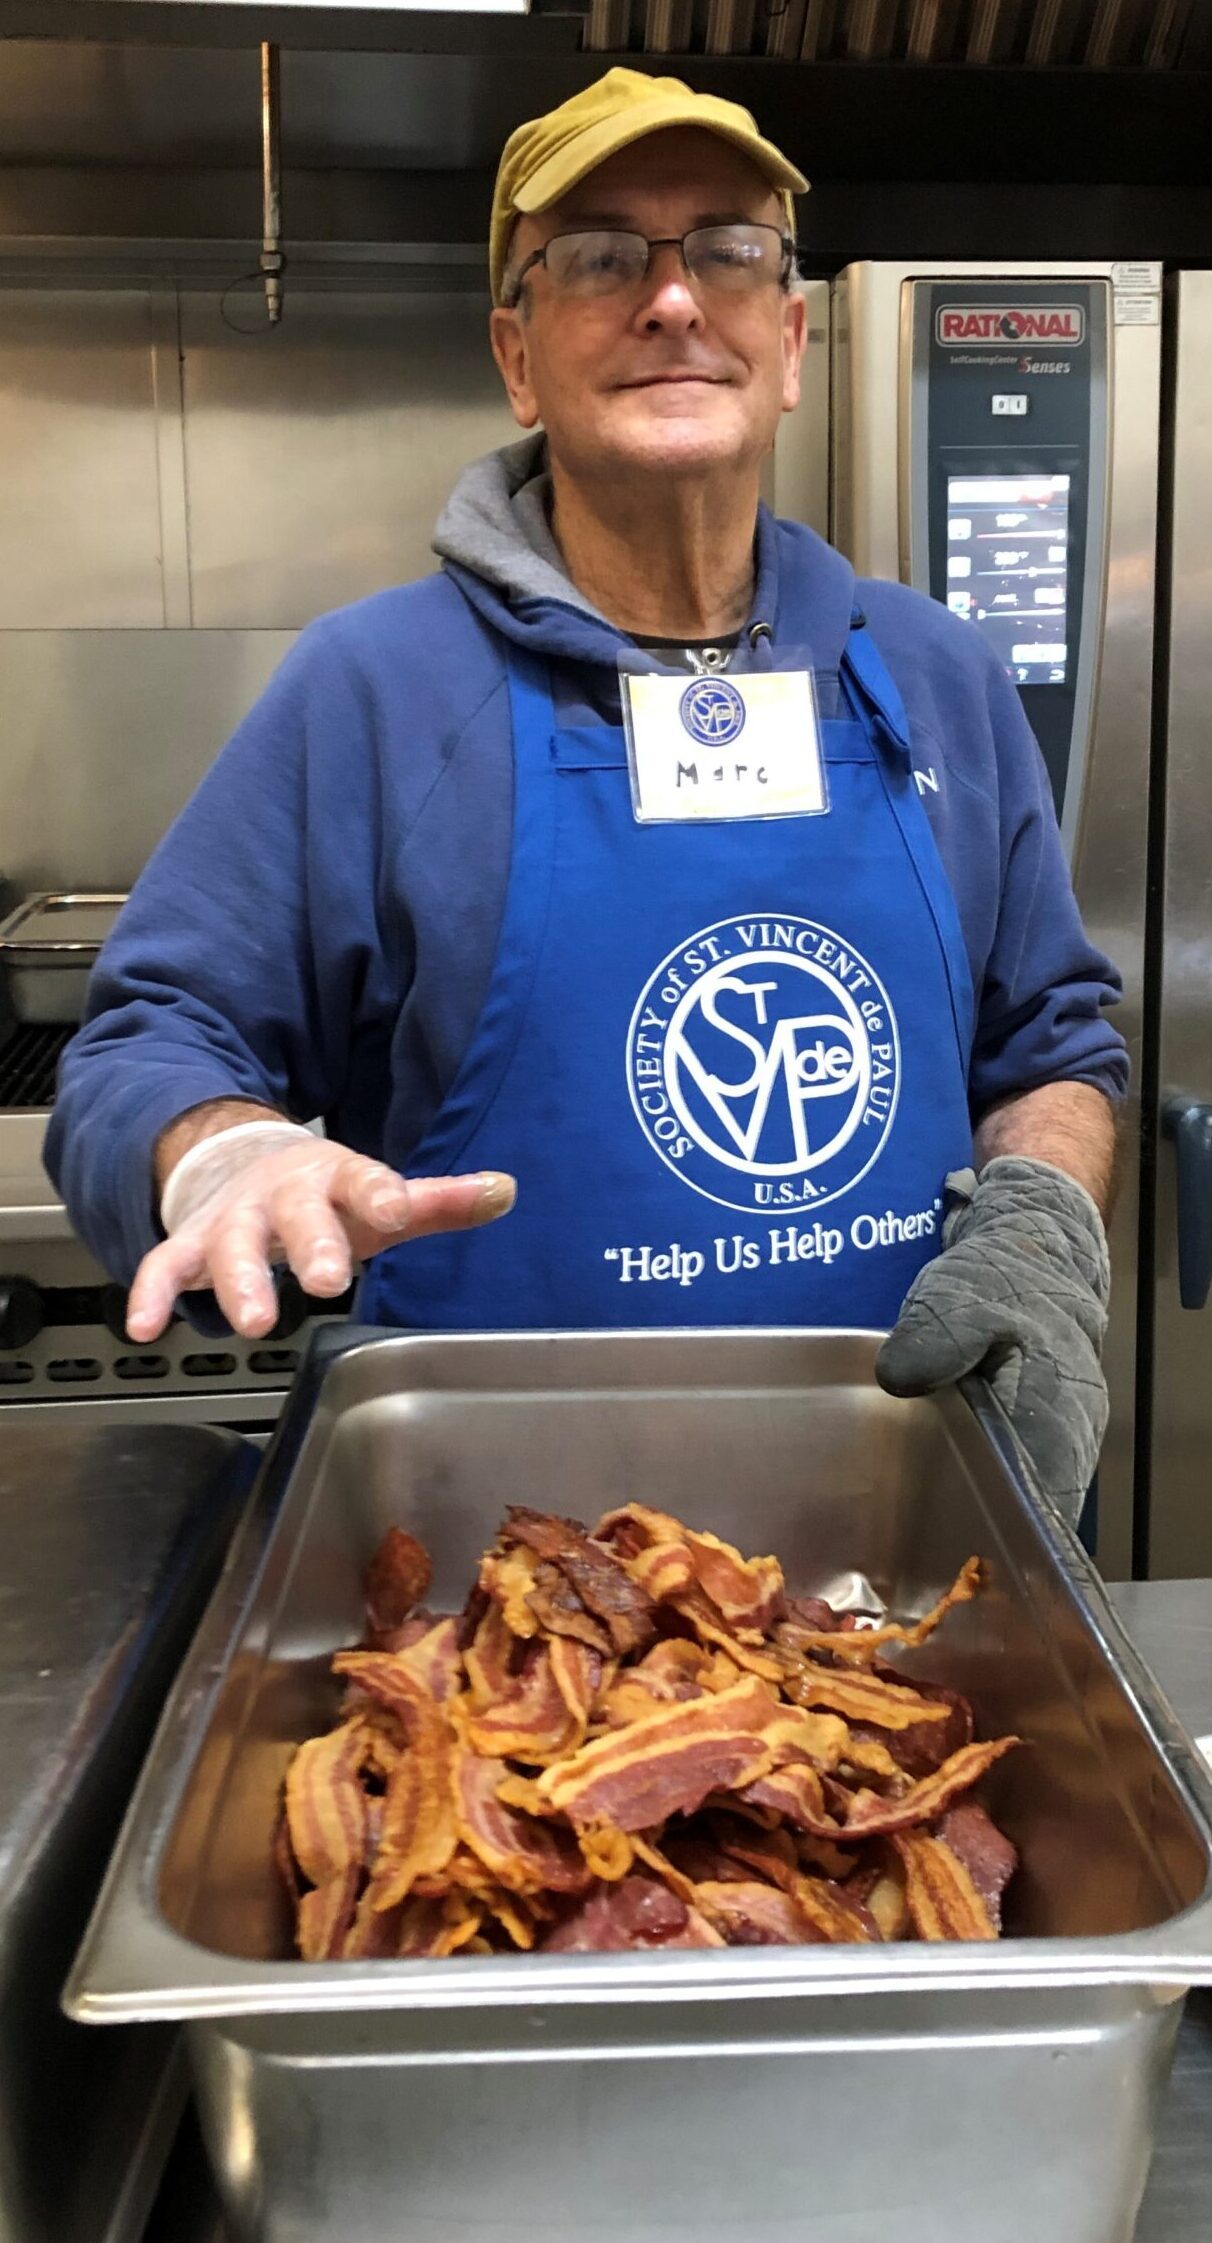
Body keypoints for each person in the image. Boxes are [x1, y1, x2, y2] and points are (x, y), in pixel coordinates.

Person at [46, 69, 1125, 1525]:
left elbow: (1050, 1043)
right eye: (604, 256)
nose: (674, 301)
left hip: (899, 1544)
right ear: (517, 351)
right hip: (499, 1590)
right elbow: (148, 1042)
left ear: (790, 340)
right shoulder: (374, 690)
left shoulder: (933, 672)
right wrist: (222, 1147)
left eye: (728, 250)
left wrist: (1045, 1220)